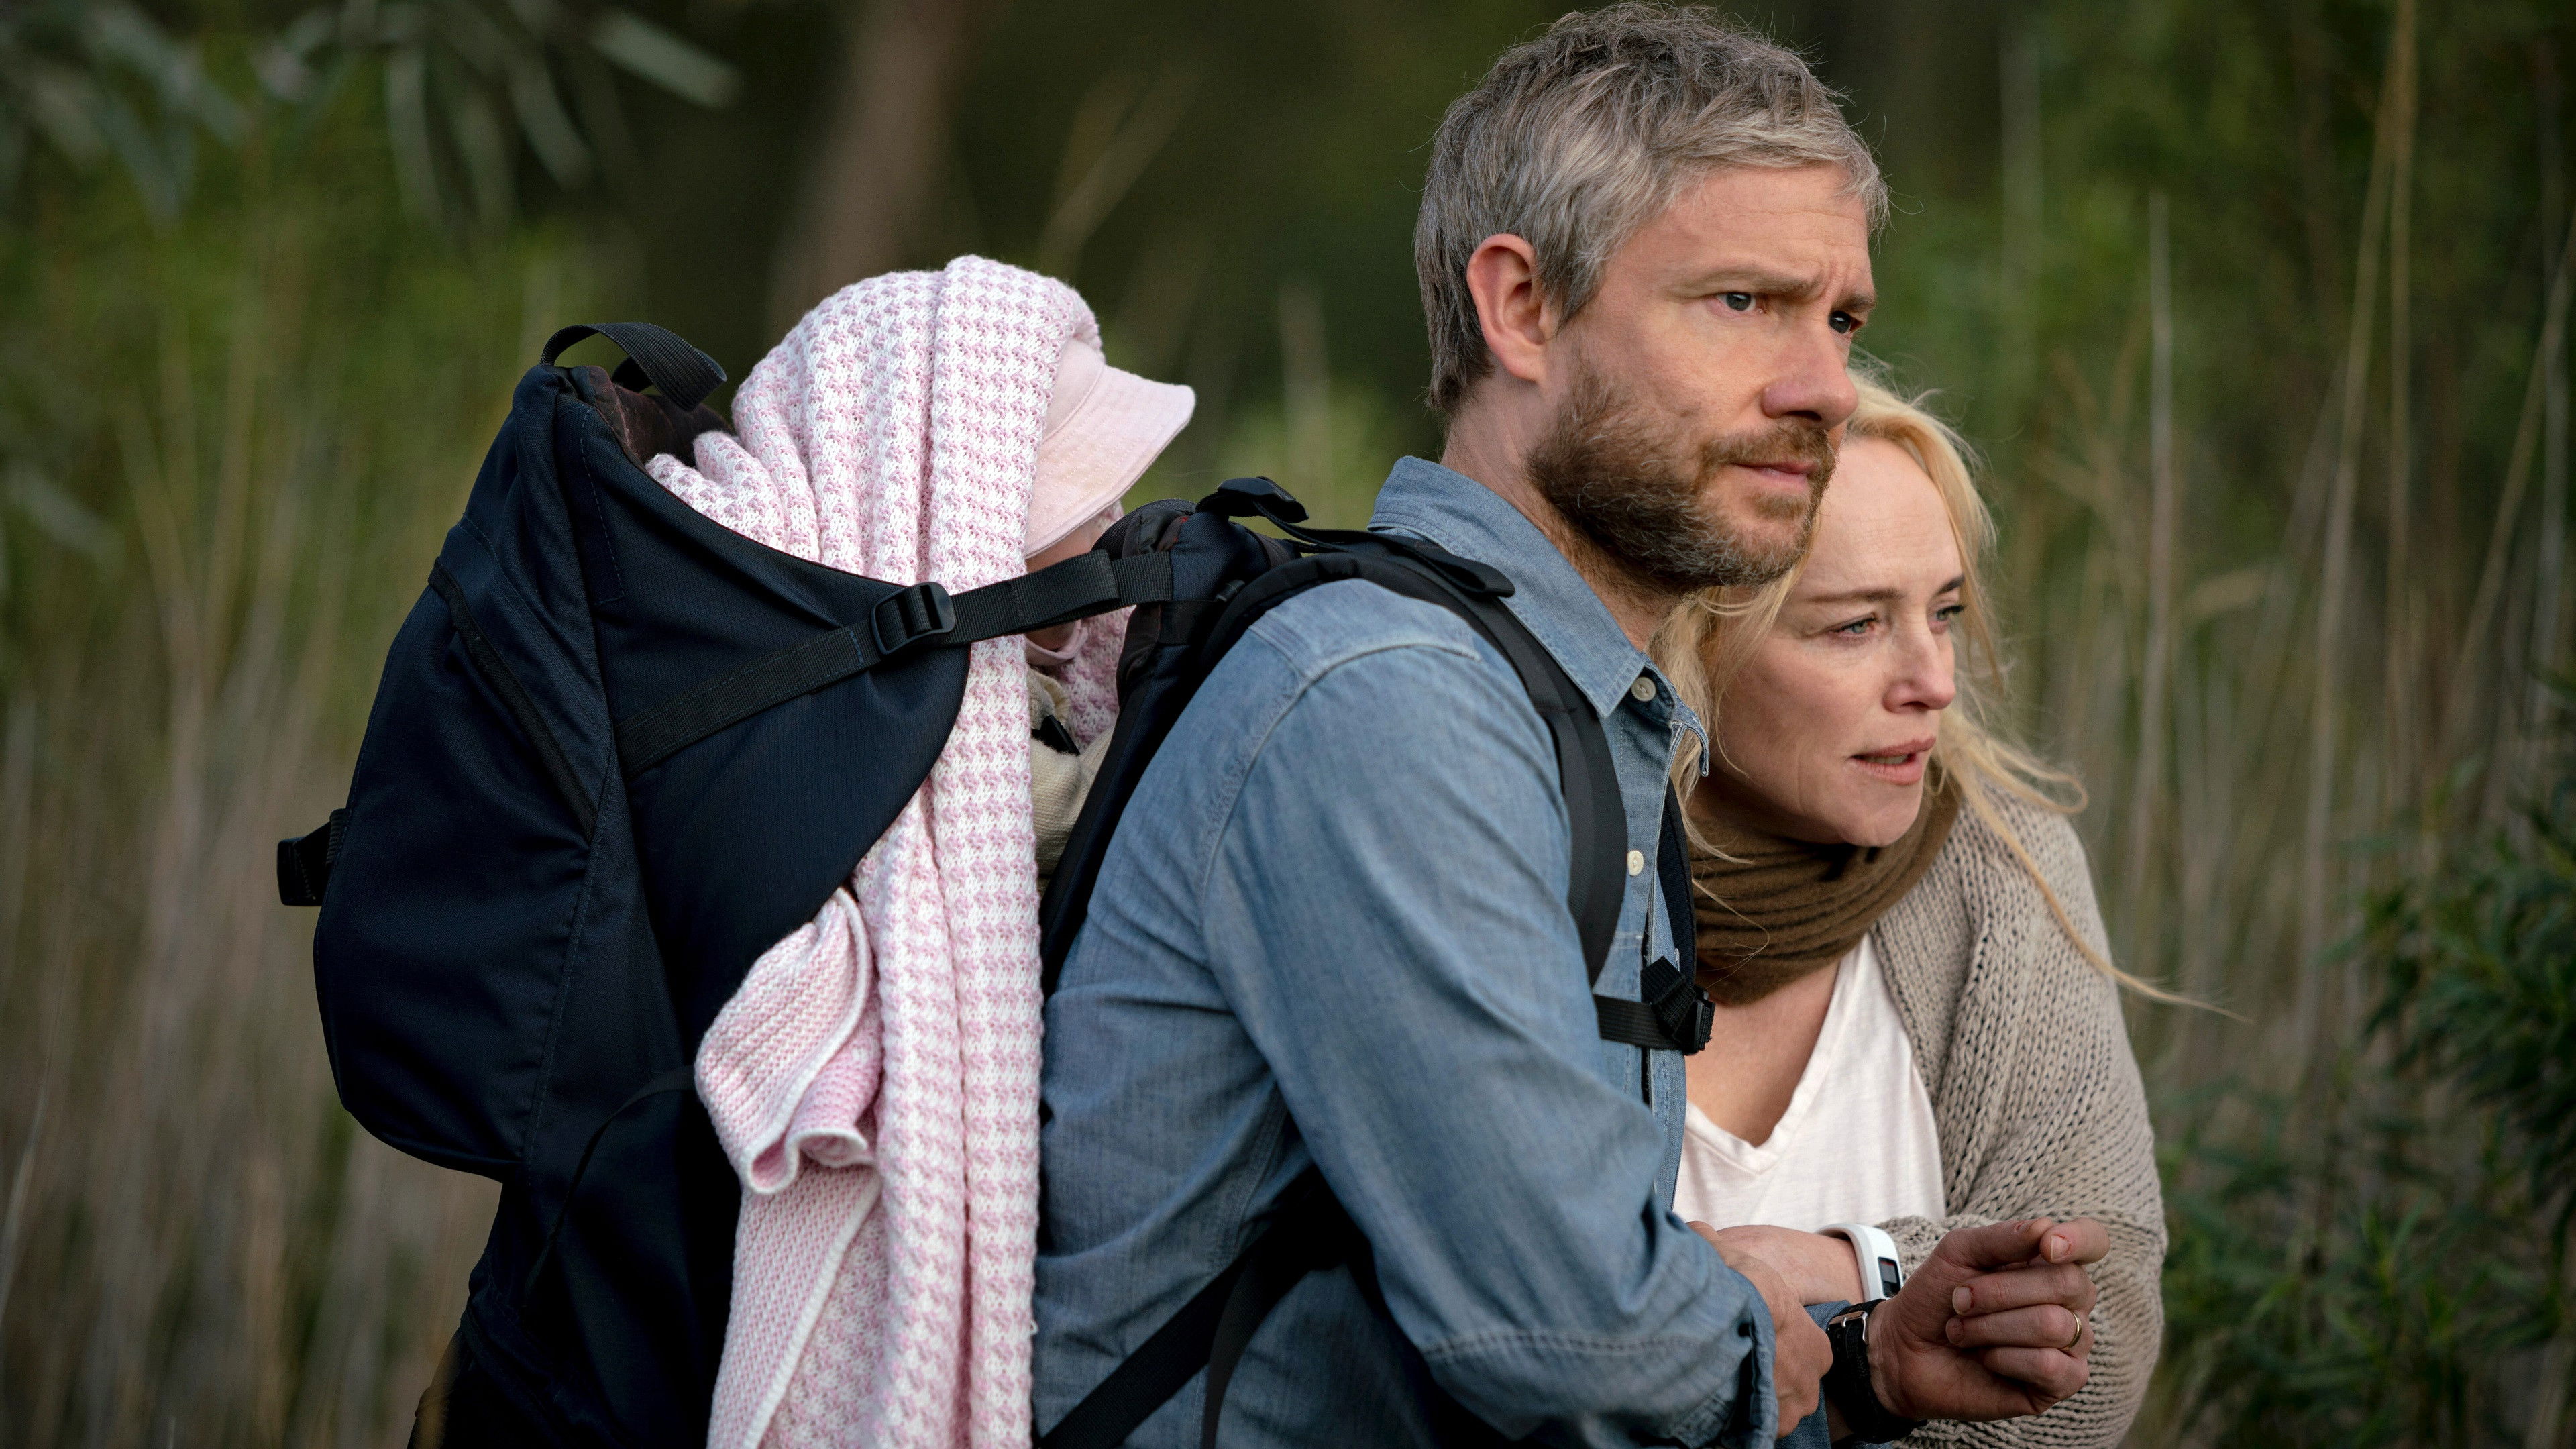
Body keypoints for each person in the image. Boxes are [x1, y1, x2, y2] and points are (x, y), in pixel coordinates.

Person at [1034, 9, 2112, 1446]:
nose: (1823, 390)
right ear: (1522, 308)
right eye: (1744, 302)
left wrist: (1863, 1368)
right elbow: (1571, 1335)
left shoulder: (1559, 706)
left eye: (1841, 320)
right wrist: (1779, 1341)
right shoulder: (1389, 701)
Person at [1651, 379, 2166, 1448]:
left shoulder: (2002, 873)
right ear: (1693, 640)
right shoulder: (1550, 875)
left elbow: (2102, 1339)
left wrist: (1836, 1264)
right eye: (1854, 626)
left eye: (1945, 613)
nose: (1934, 681)